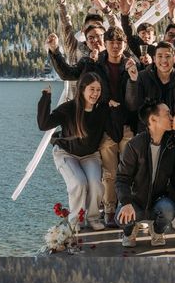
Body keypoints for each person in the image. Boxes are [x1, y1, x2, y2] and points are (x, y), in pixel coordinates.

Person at [47, 26, 138, 226]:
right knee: (109, 173)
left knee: (132, 168)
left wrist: (134, 76)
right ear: (105, 44)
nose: (115, 46)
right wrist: (55, 52)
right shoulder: (95, 63)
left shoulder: (130, 64)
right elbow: (69, 74)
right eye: (111, 42)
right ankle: (110, 210)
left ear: (124, 45)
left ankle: (130, 208)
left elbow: (133, 102)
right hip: (105, 126)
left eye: (119, 42)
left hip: (126, 125)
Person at [37, 72, 124, 230]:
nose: (95, 94)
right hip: (66, 154)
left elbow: (116, 136)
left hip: (89, 155)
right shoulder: (69, 108)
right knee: (79, 183)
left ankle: (93, 218)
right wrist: (46, 97)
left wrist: (115, 111)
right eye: (92, 89)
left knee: (96, 185)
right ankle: (76, 220)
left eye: (98, 90)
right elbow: (44, 124)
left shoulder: (101, 110)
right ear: (82, 89)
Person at [115, 100, 175, 247]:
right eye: (167, 114)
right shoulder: (134, 145)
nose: (172, 117)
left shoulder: (172, 144)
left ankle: (157, 230)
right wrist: (126, 202)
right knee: (121, 216)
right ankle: (129, 231)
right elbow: (122, 178)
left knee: (168, 210)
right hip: (135, 200)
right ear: (153, 119)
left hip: (158, 200)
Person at [126, 42, 175, 129]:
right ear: (154, 59)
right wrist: (133, 81)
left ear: (174, 58)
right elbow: (132, 106)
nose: (164, 60)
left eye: (168, 56)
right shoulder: (142, 77)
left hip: (173, 131)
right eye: (160, 56)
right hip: (148, 130)